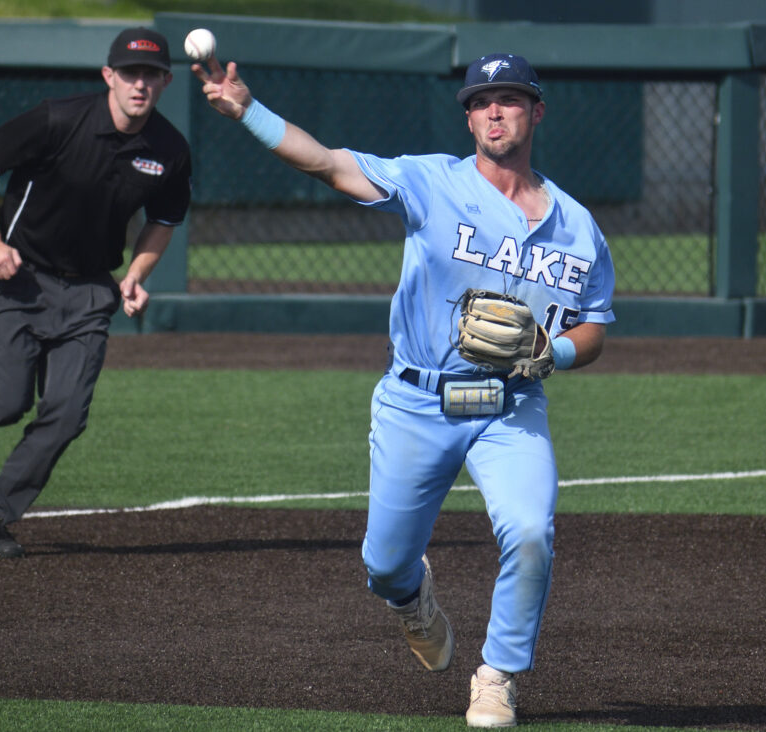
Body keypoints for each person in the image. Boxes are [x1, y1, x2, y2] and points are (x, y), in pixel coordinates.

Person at [193, 52, 615, 726]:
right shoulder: (429, 181)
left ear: (536, 110)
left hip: (510, 406)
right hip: (417, 401)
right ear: (470, 117)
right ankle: (411, 597)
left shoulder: (576, 225)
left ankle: (498, 676)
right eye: (480, 101)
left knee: (531, 531)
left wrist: (551, 351)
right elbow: (327, 163)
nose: (494, 110)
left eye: (509, 98)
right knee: (385, 566)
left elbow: (593, 326)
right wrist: (247, 110)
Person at [0, 28, 192, 559]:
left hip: (90, 293)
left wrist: (137, 275)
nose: (140, 84)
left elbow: (165, 219)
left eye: (151, 75)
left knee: (65, 414)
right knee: (3, 404)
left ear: (165, 82)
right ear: (108, 76)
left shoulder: (171, 150)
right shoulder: (59, 119)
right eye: (129, 72)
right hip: (21, 278)